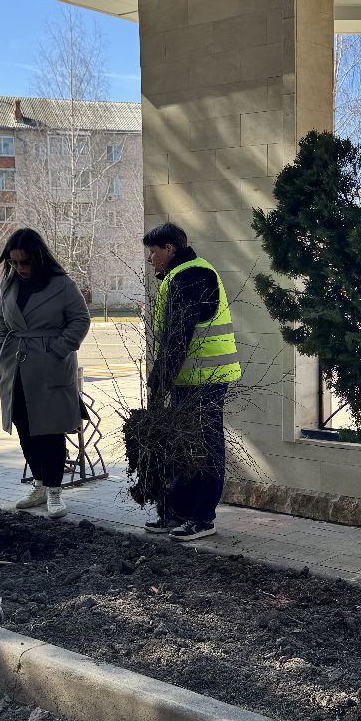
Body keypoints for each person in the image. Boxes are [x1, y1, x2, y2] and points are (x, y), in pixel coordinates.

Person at [142, 222, 240, 542]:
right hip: (191, 379)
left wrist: (160, 380)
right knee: (184, 447)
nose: (150, 259)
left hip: (205, 380)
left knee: (204, 448)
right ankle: (180, 513)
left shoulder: (192, 275)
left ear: (169, 249)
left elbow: (178, 336)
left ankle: (202, 518)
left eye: (153, 253)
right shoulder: (181, 275)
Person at [0, 228, 90, 518]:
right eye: (14, 262)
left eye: (25, 262)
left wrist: (58, 350)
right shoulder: (10, 283)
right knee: (24, 428)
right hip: (15, 366)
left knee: (50, 431)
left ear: (38, 258)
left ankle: (55, 492)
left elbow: (80, 319)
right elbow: (1, 319)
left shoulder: (61, 284)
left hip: (48, 368)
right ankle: (39, 485)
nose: (19, 268)